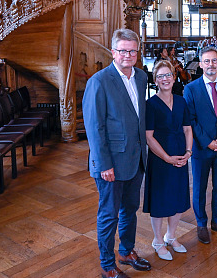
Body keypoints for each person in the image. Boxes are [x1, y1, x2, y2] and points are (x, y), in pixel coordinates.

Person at [82, 29, 151, 278]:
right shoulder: (99, 81)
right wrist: (104, 164)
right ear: (113, 52)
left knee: (130, 209)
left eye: (133, 50)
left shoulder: (141, 77)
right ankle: (108, 265)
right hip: (110, 163)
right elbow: (94, 127)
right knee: (109, 215)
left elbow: (136, 118)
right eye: (123, 50)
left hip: (136, 159)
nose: (128, 55)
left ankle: (126, 250)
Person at [184, 46, 217, 244]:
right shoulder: (191, 89)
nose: (211, 65)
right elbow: (191, 120)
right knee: (199, 187)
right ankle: (201, 223)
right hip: (202, 148)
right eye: (206, 61)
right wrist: (207, 142)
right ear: (200, 64)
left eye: (214, 61)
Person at [143, 60, 193, 261]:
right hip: (160, 159)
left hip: (180, 156)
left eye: (168, 75)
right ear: (155, 80)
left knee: (178, 198)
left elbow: (188, 129)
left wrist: (188, 152)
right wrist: (167, 158)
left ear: (174, 77)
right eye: (161, 76)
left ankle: (171, 236)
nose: (165, 79)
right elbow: (148, 136)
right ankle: (157, 241)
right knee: (160, 200)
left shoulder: (181, 101)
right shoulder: (151, 104)